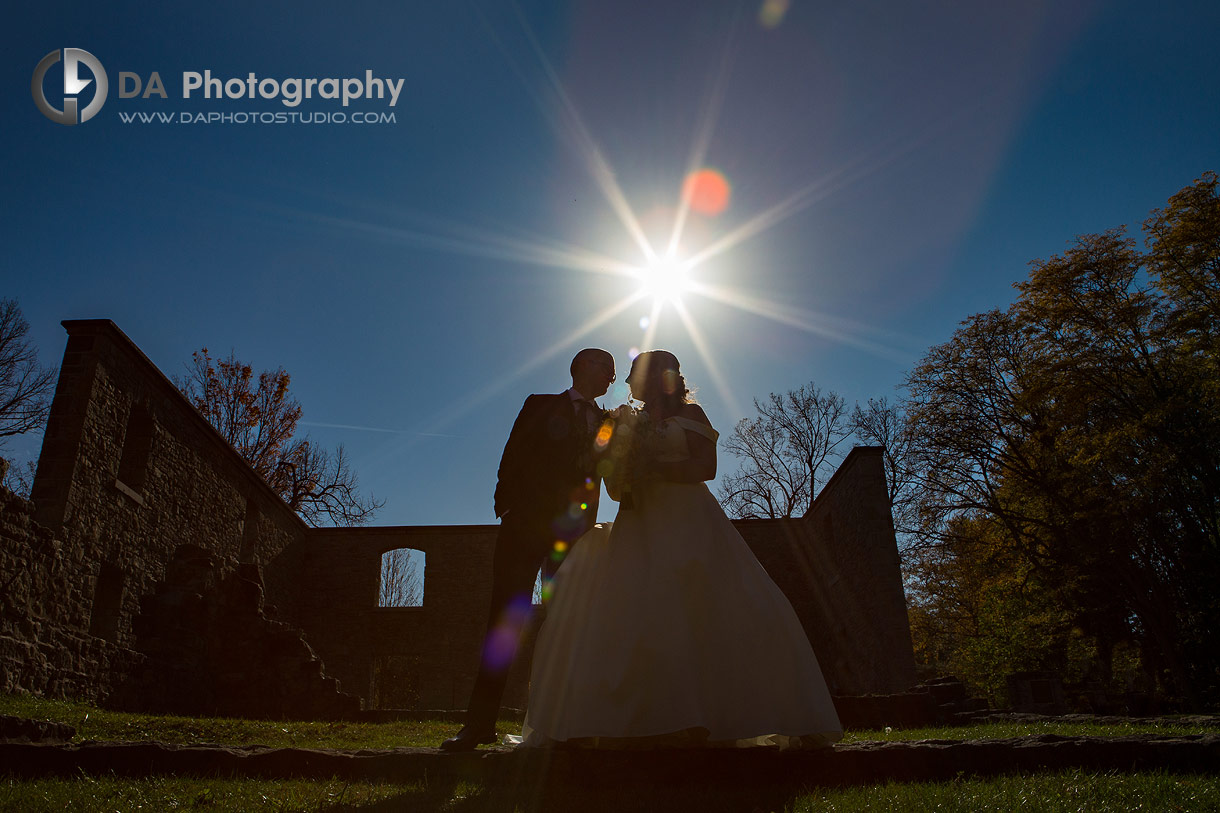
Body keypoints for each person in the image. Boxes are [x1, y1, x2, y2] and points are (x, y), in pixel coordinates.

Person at [518, 350, 842, 748]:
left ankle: (741, 712)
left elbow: (706, 468)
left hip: (689, 518)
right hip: (638, 522)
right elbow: (613, 485)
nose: (628, 379)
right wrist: (623, 473)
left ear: (659, 376)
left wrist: (651, 468)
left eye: (635, 372)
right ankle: (651, 718)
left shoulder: (693, 415)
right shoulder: (621, 420)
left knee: (715, 603)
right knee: (636, 611)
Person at [440, 348, 616, 751]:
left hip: (574, 535)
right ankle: (479, 725)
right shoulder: (539, 405)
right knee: (504, 622)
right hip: (525, 526)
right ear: (584, 367)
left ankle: (567, 724)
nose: (612, 376)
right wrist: (506, 505)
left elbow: (602, 470)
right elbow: (513, 452)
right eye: (607, 368)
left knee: (567, 623)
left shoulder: (608, 422)